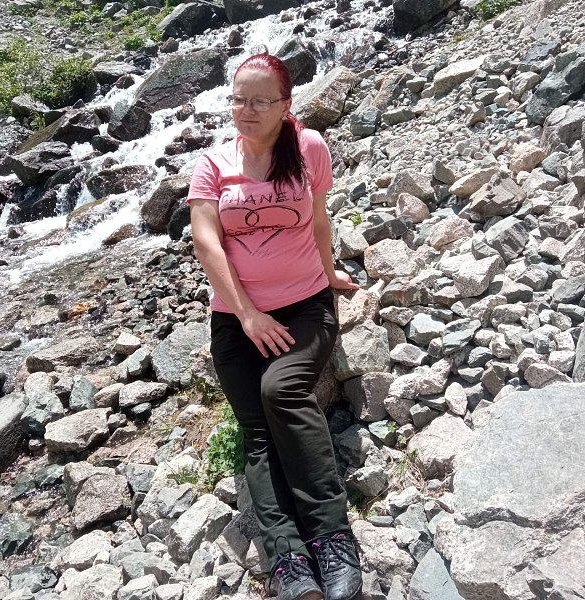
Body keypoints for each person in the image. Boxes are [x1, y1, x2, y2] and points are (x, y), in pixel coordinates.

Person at [187, 54, 363, 600]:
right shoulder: (213, 165)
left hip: (306, 305)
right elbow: (206, 243)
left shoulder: (309, 148)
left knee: (280, 390)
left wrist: (330, 273)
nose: (246, 110)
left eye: (260, 101)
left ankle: (332, 537)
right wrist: (247, 313)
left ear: (286, 105)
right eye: (239, 99)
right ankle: (288, 558)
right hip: (236, 318)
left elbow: (318, 217)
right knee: (257, 431)